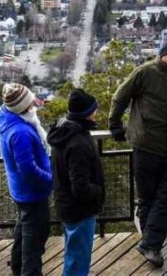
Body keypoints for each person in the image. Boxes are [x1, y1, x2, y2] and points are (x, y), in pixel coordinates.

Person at [108, 29, 167, 268]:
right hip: (145, 145)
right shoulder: (144, 72)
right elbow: (120, 97)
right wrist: (115, 125)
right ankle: (151, 244)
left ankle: (150, 244)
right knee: (147, 199)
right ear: (163, 54)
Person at [0, 83, 52, 276]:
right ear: (24, 107)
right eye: (30, 103)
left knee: (25, 229)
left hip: (21, 190)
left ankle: (18, 267)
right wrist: (51, 180)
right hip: (32, 192)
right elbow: (28, 170)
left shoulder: (8, 117)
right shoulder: (20, 133)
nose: (34, 106)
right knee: (35, 238)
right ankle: (29, 272)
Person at [48, 89, 105, 276]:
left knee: (73, 254)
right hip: (80, 209)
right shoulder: (78, 142)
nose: (96, 112)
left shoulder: (63, 132)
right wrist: (97, 191)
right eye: (94, 109)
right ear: (87, 113)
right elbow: (79, 186)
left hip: (67, 205)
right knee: (78, 260)